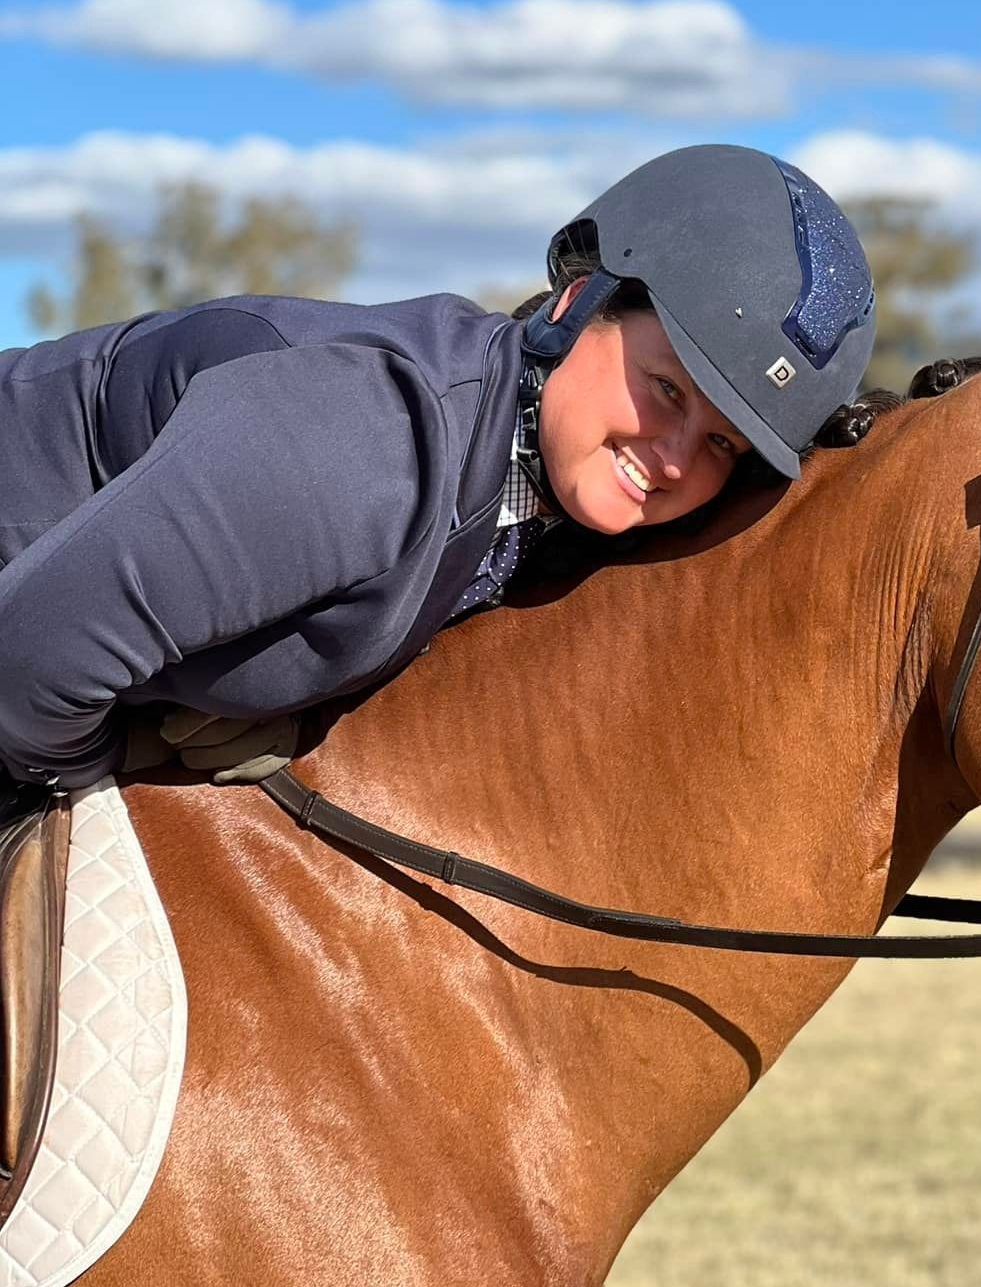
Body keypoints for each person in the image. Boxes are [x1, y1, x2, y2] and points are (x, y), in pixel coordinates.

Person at [0, 144, 876, 806]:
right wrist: (107, 770)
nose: (678, 457)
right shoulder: (366, 440)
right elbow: (28, 655)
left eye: (724, 444)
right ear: (578, 305)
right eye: (666, 389)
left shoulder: (536, 483)